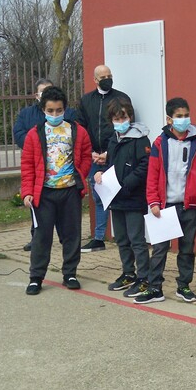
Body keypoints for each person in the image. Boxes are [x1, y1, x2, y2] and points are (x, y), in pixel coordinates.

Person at [140, 97, 196, 305]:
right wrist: (153, 202)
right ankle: (155, 288)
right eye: (179, 116)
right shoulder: (160, 143)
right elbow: (152, 175)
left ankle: (184, 286)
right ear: (169, 119)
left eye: (186, 115)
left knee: (187, 248)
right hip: (164, 206)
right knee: (160, 249)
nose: (184, 120)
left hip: (189, 205)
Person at [21, 86, 92, 296]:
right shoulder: (34, 134)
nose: (54, 114)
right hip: (44, 193)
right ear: (43, 110)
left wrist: (80, 175)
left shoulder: (77, 131)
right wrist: (27, 191)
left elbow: (86, 155)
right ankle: (36, 277)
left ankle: (70, 273)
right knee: (41, 237)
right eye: (50, 110)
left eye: (59, 110)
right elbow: (27, 165)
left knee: (71, 235)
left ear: (65, 109)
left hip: (70, 191)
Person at [13, 78, 77, 251]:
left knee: (67, 223)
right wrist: (37, 145)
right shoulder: (27, 114)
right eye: (43, 92)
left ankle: (66, 243)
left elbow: (81, 147)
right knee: (40, 218)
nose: (54, 114)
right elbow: (19, 133)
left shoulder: (69, 115)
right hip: (40, 176)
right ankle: (37, 240)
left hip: (65, 182)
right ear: (37, 96)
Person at [97, 97, 152, 298]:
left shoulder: (140, 139)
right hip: (115, 197)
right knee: (121, 239)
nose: (121, 122)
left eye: (124, 118)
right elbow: (110, 164)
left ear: (130, 117)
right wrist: (101, 174)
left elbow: (145, 165)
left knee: (137, 239)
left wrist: (127, 183)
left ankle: (144, 278)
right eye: (116, 119)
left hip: (133, 197)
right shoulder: (114, 139)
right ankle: (128, 273)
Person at [76, 65, 132, 252]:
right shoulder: (86, 101)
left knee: (121, 194)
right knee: (99, 196)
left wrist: (109, 153)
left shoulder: (122, 98)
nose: (107, 79)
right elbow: (81, 128)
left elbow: (127, 126)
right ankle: (99, 238)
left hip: (116, 154)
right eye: (103, 77)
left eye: (110, 75)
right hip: (94, 156)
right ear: (95, 80)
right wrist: (91, 152)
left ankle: (126, 237)